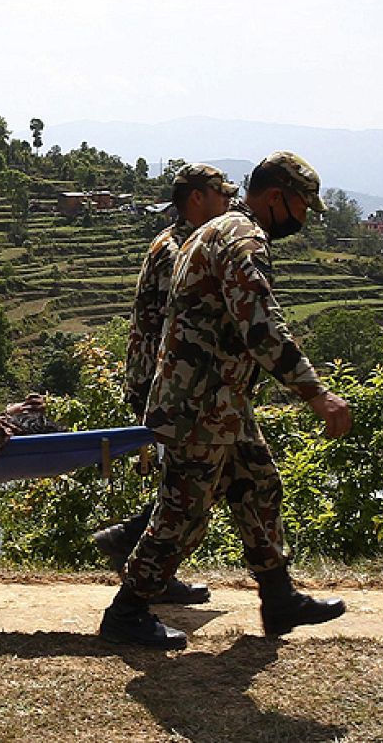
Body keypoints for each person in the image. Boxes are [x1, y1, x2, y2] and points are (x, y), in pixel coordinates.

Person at [100, 152, 353, 649]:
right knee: (183, 511)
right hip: (198, 403)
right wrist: (316, 393)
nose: (303, 220)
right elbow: (259, 323)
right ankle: (127, 610)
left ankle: (278, 597)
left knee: (259, 484)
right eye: (302, 207)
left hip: (219, 400)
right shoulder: (241, 238)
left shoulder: (217, 231)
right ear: (277, 197)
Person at [93, 164, 237, 605]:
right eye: (220, 194)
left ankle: (143, 557)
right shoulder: (180, 250)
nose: (228, 203)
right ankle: (134, 547)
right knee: (191, 483)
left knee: (187, 481)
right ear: (196, 198)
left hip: (166, 381)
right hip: (169, 384)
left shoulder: (179, 243)